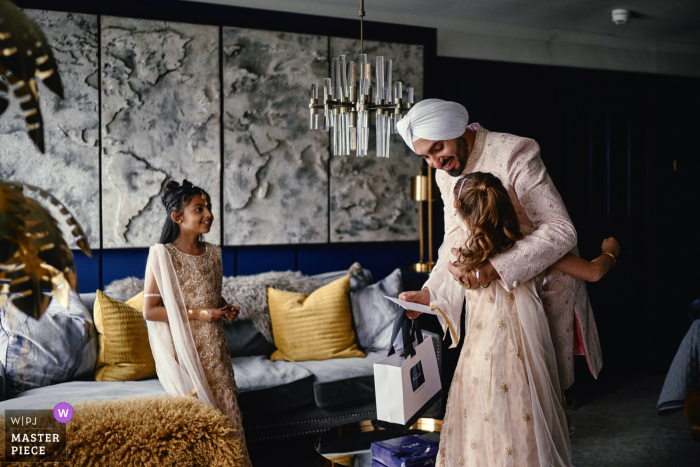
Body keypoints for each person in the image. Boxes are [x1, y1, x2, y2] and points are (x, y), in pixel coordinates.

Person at [396, 99, 603, 394]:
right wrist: (431, 292)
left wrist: (495, 268)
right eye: (425, 157)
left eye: (437, 149)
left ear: (456, 129)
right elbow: (455, 236)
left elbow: (561, 230)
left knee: (542, 398)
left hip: (543, 287)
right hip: (490, 301)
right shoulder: (444, 173)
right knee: (497, 395)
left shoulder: (514, 152)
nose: (434, 163)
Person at [432, 172, 619, 467]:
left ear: (464, 219)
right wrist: (610, 252)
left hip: (479, 359)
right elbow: (594, 272)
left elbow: (465, 276)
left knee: (482, 428)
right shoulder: (534, 250)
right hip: (526, 357)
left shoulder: (462, 259)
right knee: (524, 426)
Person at [142, 180, 252, 467]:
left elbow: (210, 294)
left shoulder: (214, 254)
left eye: (209, 207)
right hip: (188, 354)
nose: (208, 214)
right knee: (200, 432)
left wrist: (223, 307)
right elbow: (150, 311)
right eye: (199, 209)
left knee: (229, 427)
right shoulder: (162, 255)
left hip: (217, 352)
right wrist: (199, 314)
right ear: (178, 217)